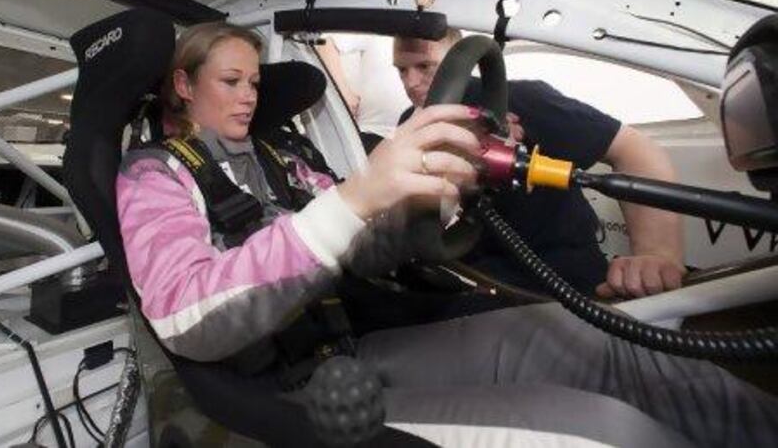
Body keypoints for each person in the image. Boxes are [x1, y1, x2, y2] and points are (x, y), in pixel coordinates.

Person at [116, 22, 778, 447]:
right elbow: (185, 311)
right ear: (183, 82)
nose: (249, 96)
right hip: (294, 391)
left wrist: (432, 199)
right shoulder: (154, 175)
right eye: (232, 81)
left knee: (599, 345)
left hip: (360, 345)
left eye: (255, 82)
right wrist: (355, 196)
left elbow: (364, 245)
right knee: (607, 432)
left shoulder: (279, 159)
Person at [394, 29, 686, 298]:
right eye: (401, 70)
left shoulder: (524, 101)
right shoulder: (410, 121)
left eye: (424, 67)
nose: (410, 82)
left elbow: (636, 149)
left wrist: (657, 255)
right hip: (471, 277)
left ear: (457, 59)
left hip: (559, 278)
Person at [316, 33, 411, 152]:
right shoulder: (381, 23)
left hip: (420, 137)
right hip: (374, 133)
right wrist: (343, 94)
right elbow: (326, 44)